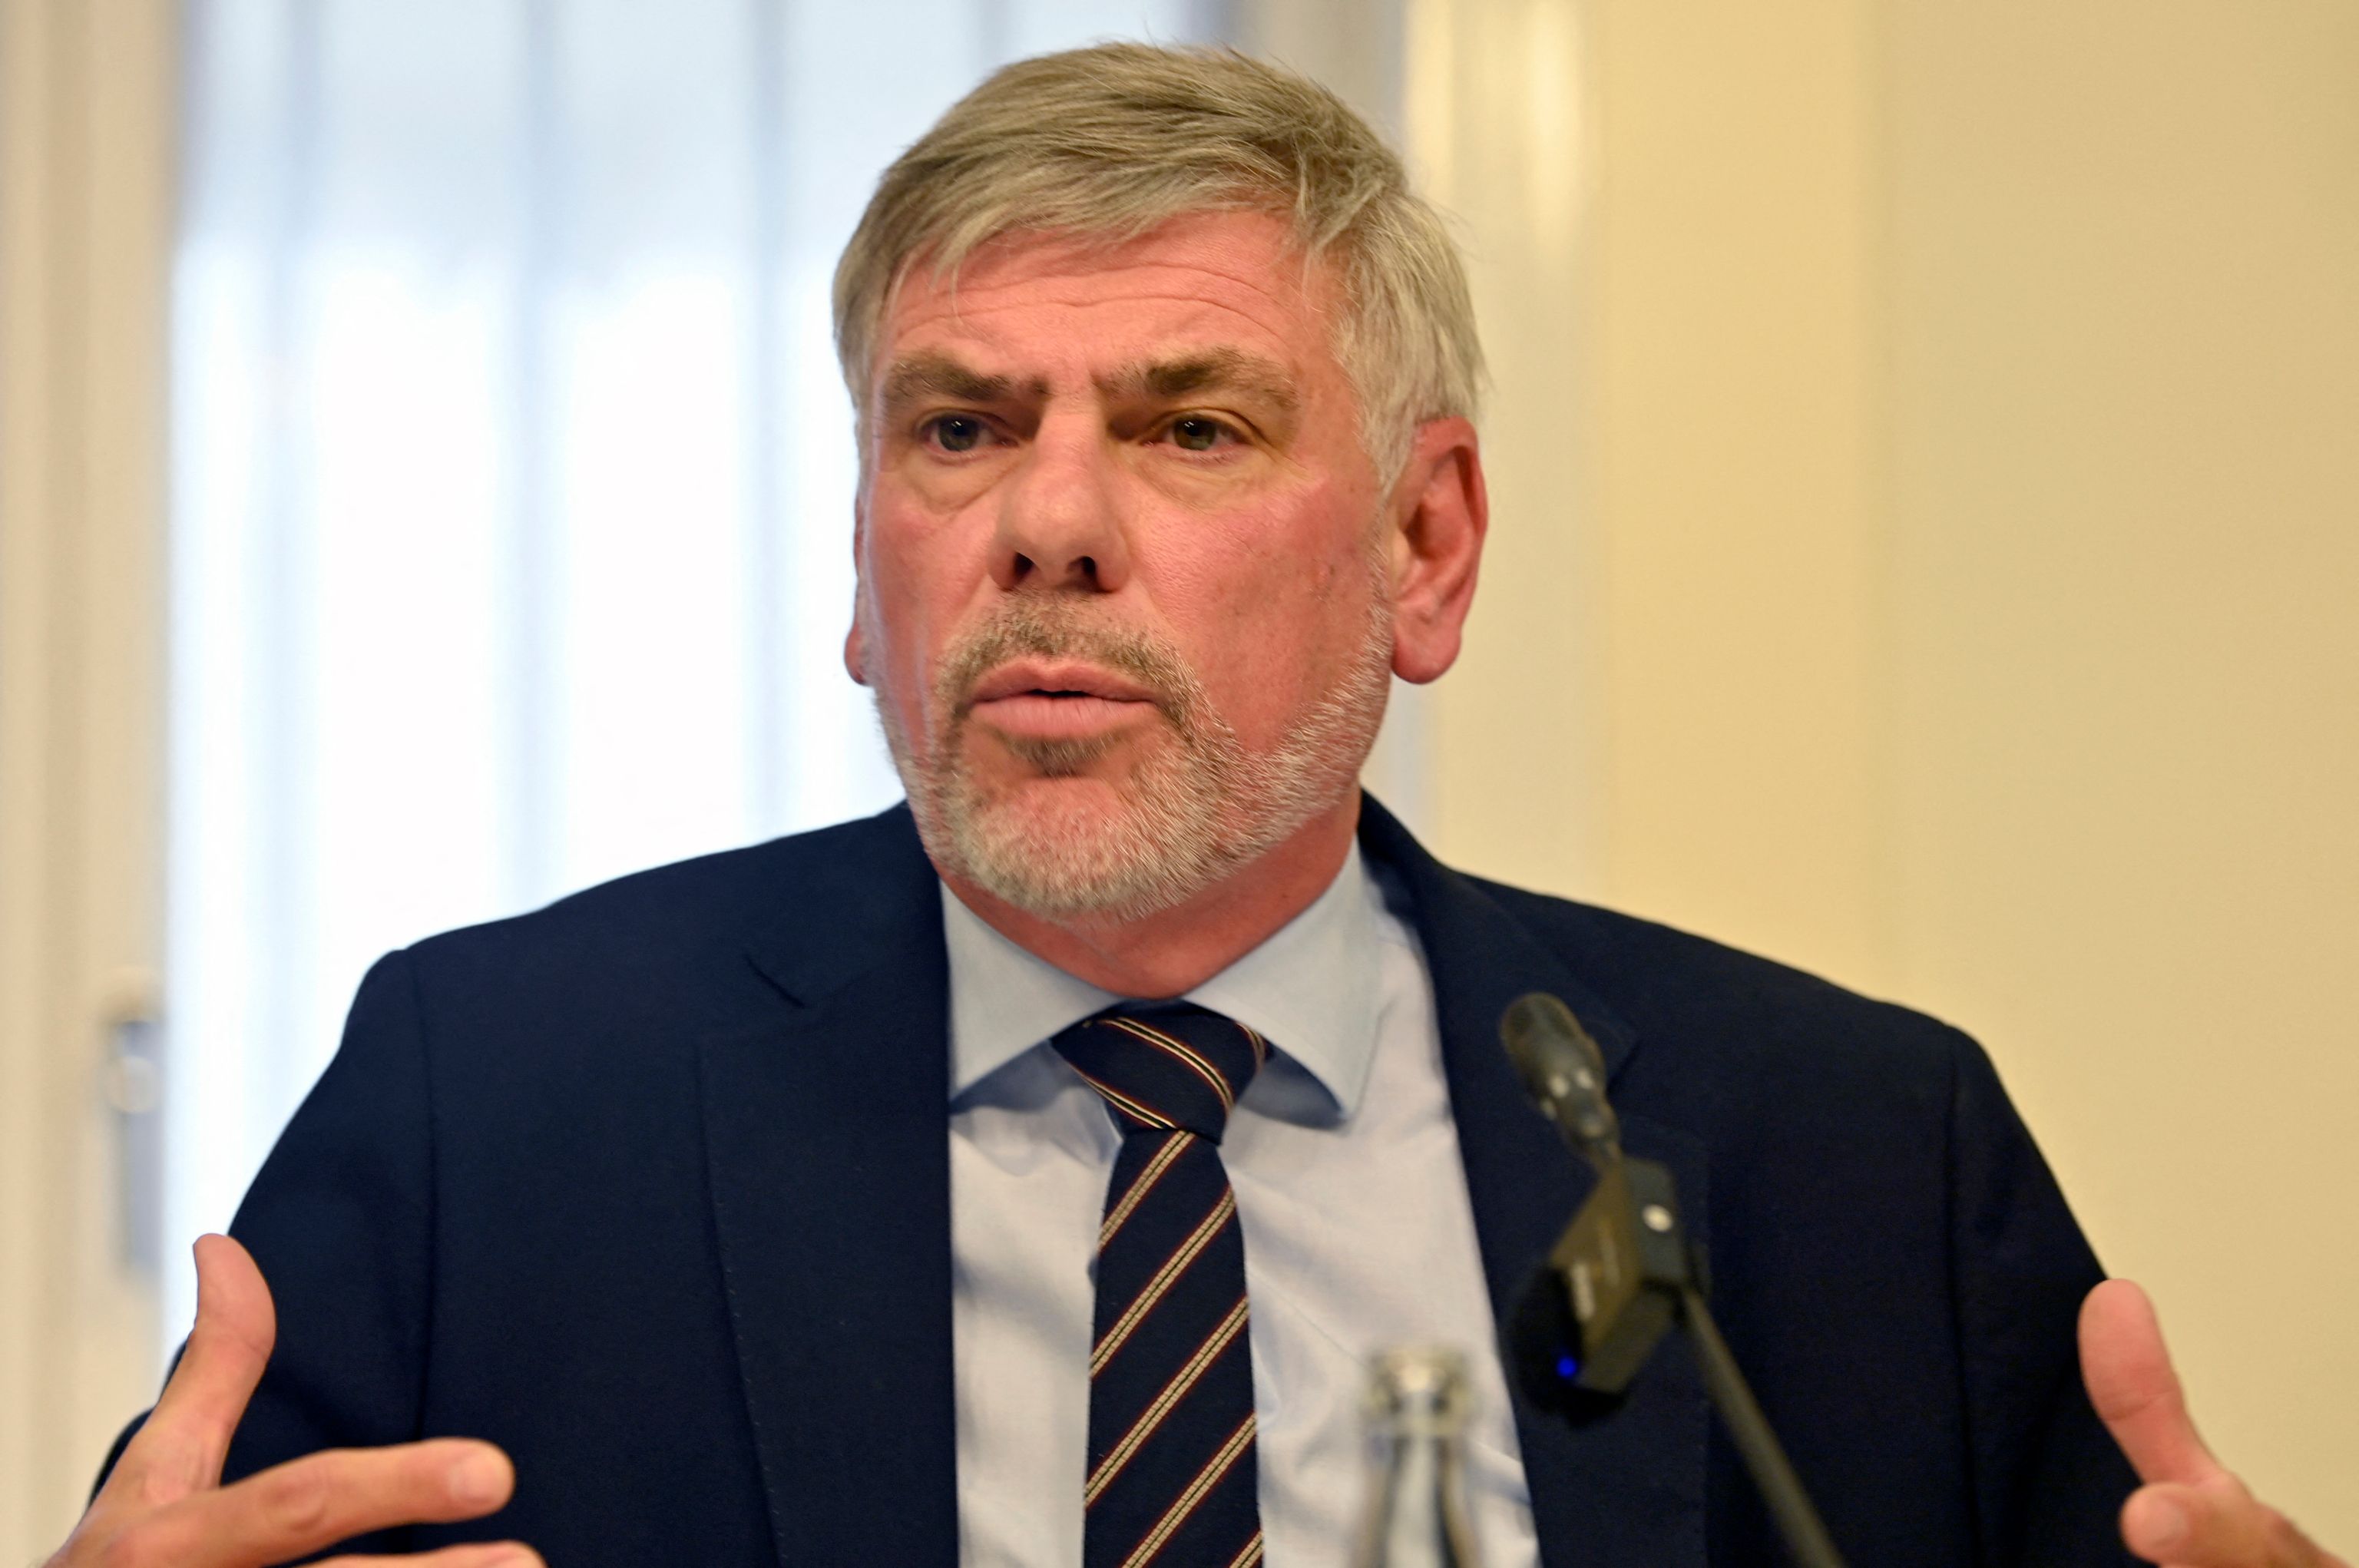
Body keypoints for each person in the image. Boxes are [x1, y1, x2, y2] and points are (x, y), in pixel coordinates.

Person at [51, 42, 2342, 1568]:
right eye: (959, 430)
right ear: (861, 562)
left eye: (1192, 428)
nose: (1046, 526)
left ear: (1427, 546)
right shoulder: (496, 1107)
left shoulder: (1853, 1162)